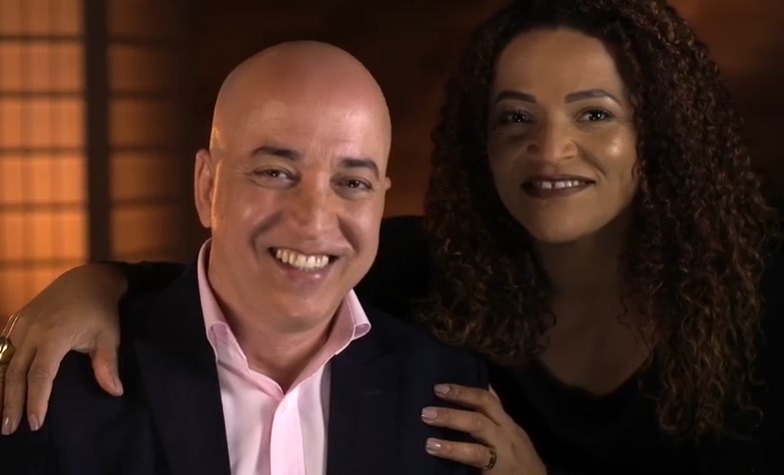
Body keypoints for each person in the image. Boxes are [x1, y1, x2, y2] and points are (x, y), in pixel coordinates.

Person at [0, 0, 784, 473]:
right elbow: (266, 269)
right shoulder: (435, 273)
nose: (550, 150)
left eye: (594, 114)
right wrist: (97, 280)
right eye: (515, 119)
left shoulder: (758, 286)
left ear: (656, 133)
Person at [0, 41, 491, 475]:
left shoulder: (445, 393)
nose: (314, 220)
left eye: (352, 182)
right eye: (275, 172)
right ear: (207, 187)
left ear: (381, 198)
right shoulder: (58, 387)